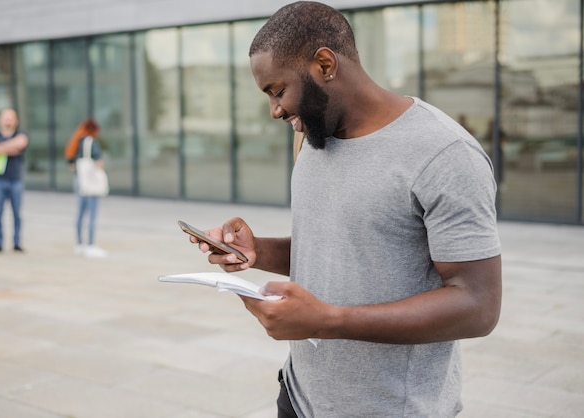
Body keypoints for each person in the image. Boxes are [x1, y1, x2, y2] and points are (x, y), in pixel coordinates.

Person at [191, 2, 502, 417]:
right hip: (300, 398)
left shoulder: (444, 153)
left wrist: (326, 320)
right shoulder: (314, 140)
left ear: (324, 64)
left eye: (278, 90)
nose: (276, 111)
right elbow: (339, 247)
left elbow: (477, 305)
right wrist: (258, 251)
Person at [0, 108, 29, 253]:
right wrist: (9, 149)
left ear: (16, 121)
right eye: (5, 118)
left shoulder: (21, 134)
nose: (8, 121)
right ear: (0, 120)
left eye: (11, 118)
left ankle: (16, 243)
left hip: (16, 180)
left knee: (17, 214)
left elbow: (20, 143)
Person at [64, 119, 108, 258]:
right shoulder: (91, 142)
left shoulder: (76, 141)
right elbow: (98, 162)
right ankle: (90, 245)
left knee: (81, 213)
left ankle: (79, 244)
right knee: (92, 214)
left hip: (79, 181)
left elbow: (71, 164)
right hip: (90, 182)